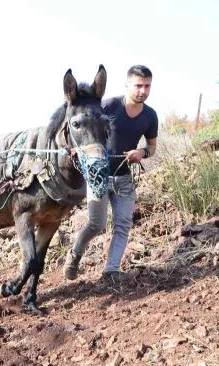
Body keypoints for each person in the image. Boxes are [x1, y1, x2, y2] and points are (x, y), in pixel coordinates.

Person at [63, 65, 158, 280]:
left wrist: (141, 152)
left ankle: (111, 271)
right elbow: (81, 124)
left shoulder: (150, 116)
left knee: (123, 225)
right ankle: (74, 255)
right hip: (99, 176)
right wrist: (78, 149)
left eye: (147, 86)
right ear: (127, 85)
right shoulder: (108, 105)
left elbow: (152, 147)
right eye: (138, 85)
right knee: (96, 224)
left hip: (124, 179)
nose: (143, 90)